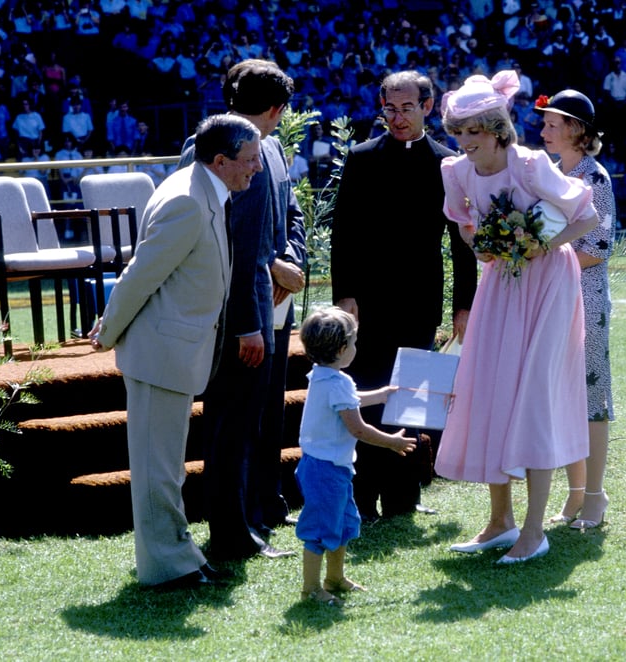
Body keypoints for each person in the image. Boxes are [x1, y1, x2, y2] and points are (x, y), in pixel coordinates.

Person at [89, 114, 263, 589]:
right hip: (159, 353)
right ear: (221, 160)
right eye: (249, 160)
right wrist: (107, 331)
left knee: (166, 468)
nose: (257, 170)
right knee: (157, 471)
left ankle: (179, 554)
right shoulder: (188, 200)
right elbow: (141, 274)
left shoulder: (202, 188)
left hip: (175, 350)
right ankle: (167, 568)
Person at [435, 70, 598, 563]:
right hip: (501, 287)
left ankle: (534, 530)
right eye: (458, 132)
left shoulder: (529, 165)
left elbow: (587, 217)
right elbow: (463, 227)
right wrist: (485, 244)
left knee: (533, 396)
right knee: (492, 390)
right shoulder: (458, 172)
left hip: (548, 283)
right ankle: (499, 521)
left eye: (474, 131)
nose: (464, 141)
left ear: (497, 128)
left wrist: (535, 244)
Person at [330, 70, 477, 522]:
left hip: (420, 298)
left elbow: (462, 241)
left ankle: (404, 495)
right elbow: (344, 233)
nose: (396, 118)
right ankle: (362, 495)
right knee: (369, 393)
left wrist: (463, 305)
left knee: (411, 397)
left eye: (407, 108)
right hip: (368, 302)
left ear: (428, 108)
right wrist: (345, 294)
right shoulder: (361, 157)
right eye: (389, 109)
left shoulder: (448, 164)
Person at [178, 59, 306, 562]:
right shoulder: (210, 146)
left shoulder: (271, 145)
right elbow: (221, 237)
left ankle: (262, 506)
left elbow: (290, 211)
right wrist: (273, 270)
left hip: (274, 298)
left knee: (264, 411)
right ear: (277, 107)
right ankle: (235, 526)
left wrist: (290, 258)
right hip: (241, 306)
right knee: (233, 420)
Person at [295, 307, 416, 606]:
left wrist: (382, 393)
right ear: (341, 349)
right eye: (354, 342)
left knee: (343, 523)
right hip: (325, 470)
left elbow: (351, 399)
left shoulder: (324, 375)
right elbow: (358, 428)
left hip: (330, 467)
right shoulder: (337, 382)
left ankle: (334, 578)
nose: (356, 348)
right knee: (321, 529)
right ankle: (310, 589)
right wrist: (391, 442)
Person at [536, 89, 616, 530]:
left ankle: (595, 495)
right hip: (554, 298)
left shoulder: (595, 178)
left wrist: (542, 255)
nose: (544, 130)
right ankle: (574, 496)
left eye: (552, 123)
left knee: (590, 396)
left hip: (585, 299)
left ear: (576, 130)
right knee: (562, 399)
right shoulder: (550, 173)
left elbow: (599, 248)